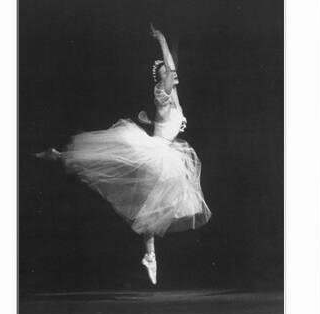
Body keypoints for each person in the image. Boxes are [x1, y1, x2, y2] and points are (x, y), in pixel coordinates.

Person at [35, 24, 212, 285]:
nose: (171, 74)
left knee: (151, 208)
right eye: (166, 73)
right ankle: (60, 155)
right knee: (112, 162)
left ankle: (150, 256)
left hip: (164, 153)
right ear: (160, 80)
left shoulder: (174, 96)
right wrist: (162, 39)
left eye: (171, 73)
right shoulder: (162, 94)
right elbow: (170, 68)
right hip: (156, 154)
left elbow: (173, 72)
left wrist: (171, 44)